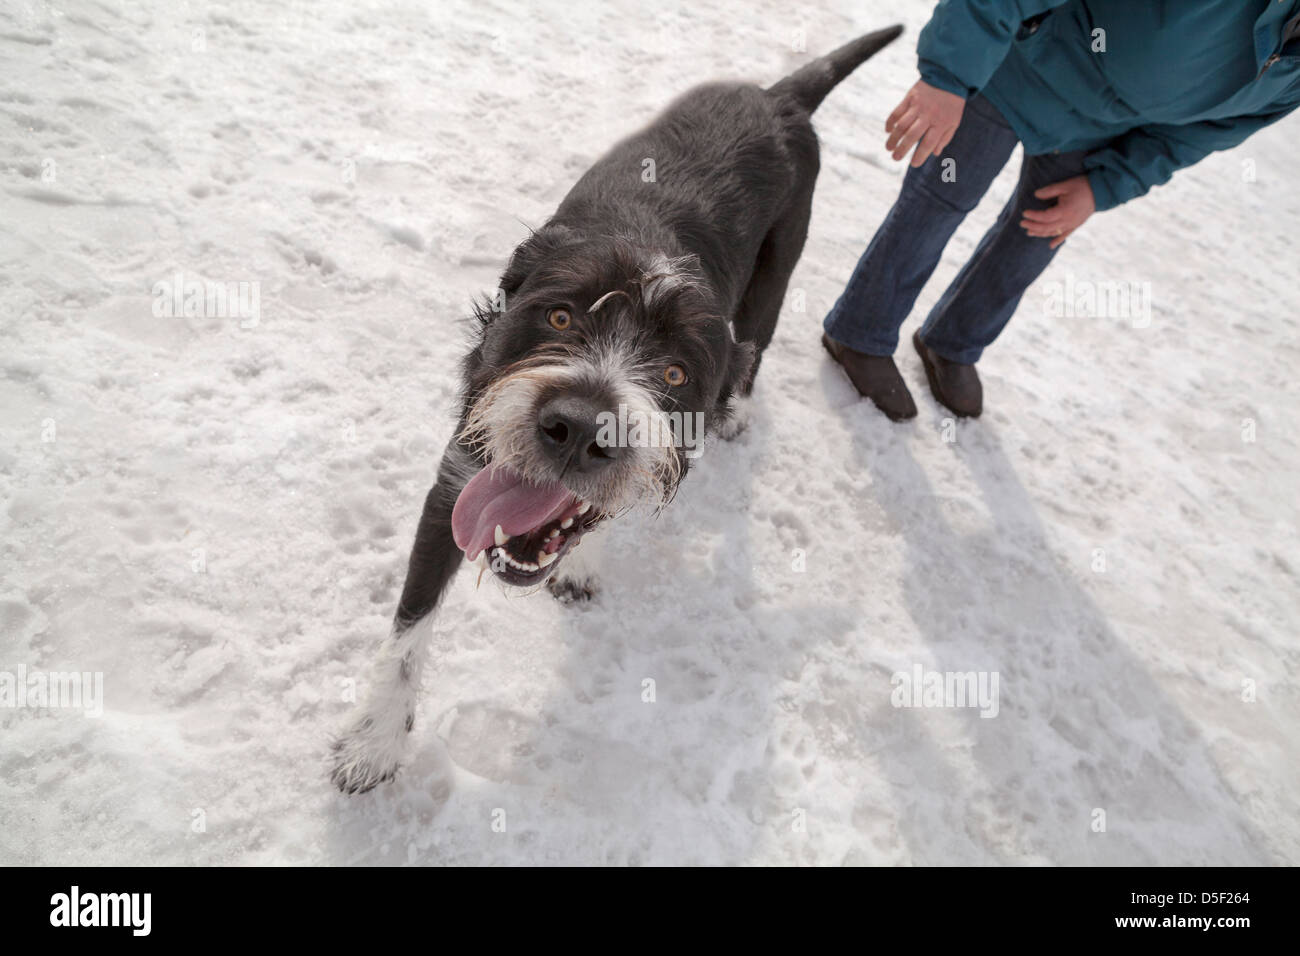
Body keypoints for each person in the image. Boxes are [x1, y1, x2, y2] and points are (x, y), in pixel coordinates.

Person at [822, 0, 1300, 420]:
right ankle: (860, 333)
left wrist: (1103, 186)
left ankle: (952, 344)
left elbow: (1202, 134)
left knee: (1037, 236)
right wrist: (948, 77)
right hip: (1022, 65)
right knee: (942, 199)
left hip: (1098, 129)